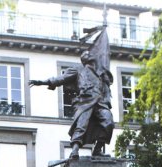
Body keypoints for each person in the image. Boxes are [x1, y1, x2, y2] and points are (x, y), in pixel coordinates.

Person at [29, 26, 114, 159]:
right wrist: (43, 82)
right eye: (85, 54)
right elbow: (61, 79)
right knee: (81, 125)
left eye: (89, 54)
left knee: (109, 122)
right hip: (85, 102)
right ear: (83, 59)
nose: (88, 55)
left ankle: (97, 149)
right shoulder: (78, 70)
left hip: (99, 102)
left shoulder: (100, 73)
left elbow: (106, 87)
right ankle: (74, 150)